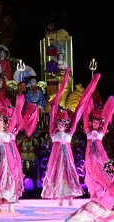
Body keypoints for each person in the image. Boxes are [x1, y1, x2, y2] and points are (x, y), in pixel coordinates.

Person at [41, 70, 99, 206]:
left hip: (67, 159)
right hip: (56, 160)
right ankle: (60, 198)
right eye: (59, 123)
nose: (61, 125)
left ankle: (70, 198)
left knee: (69, 175)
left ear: (66, 125)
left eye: (63, 124)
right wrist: (59, 92)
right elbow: (53, 110)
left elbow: (78, 113)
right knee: (58, 176)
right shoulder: (53, 133)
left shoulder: (69, 133)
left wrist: (85, 99)